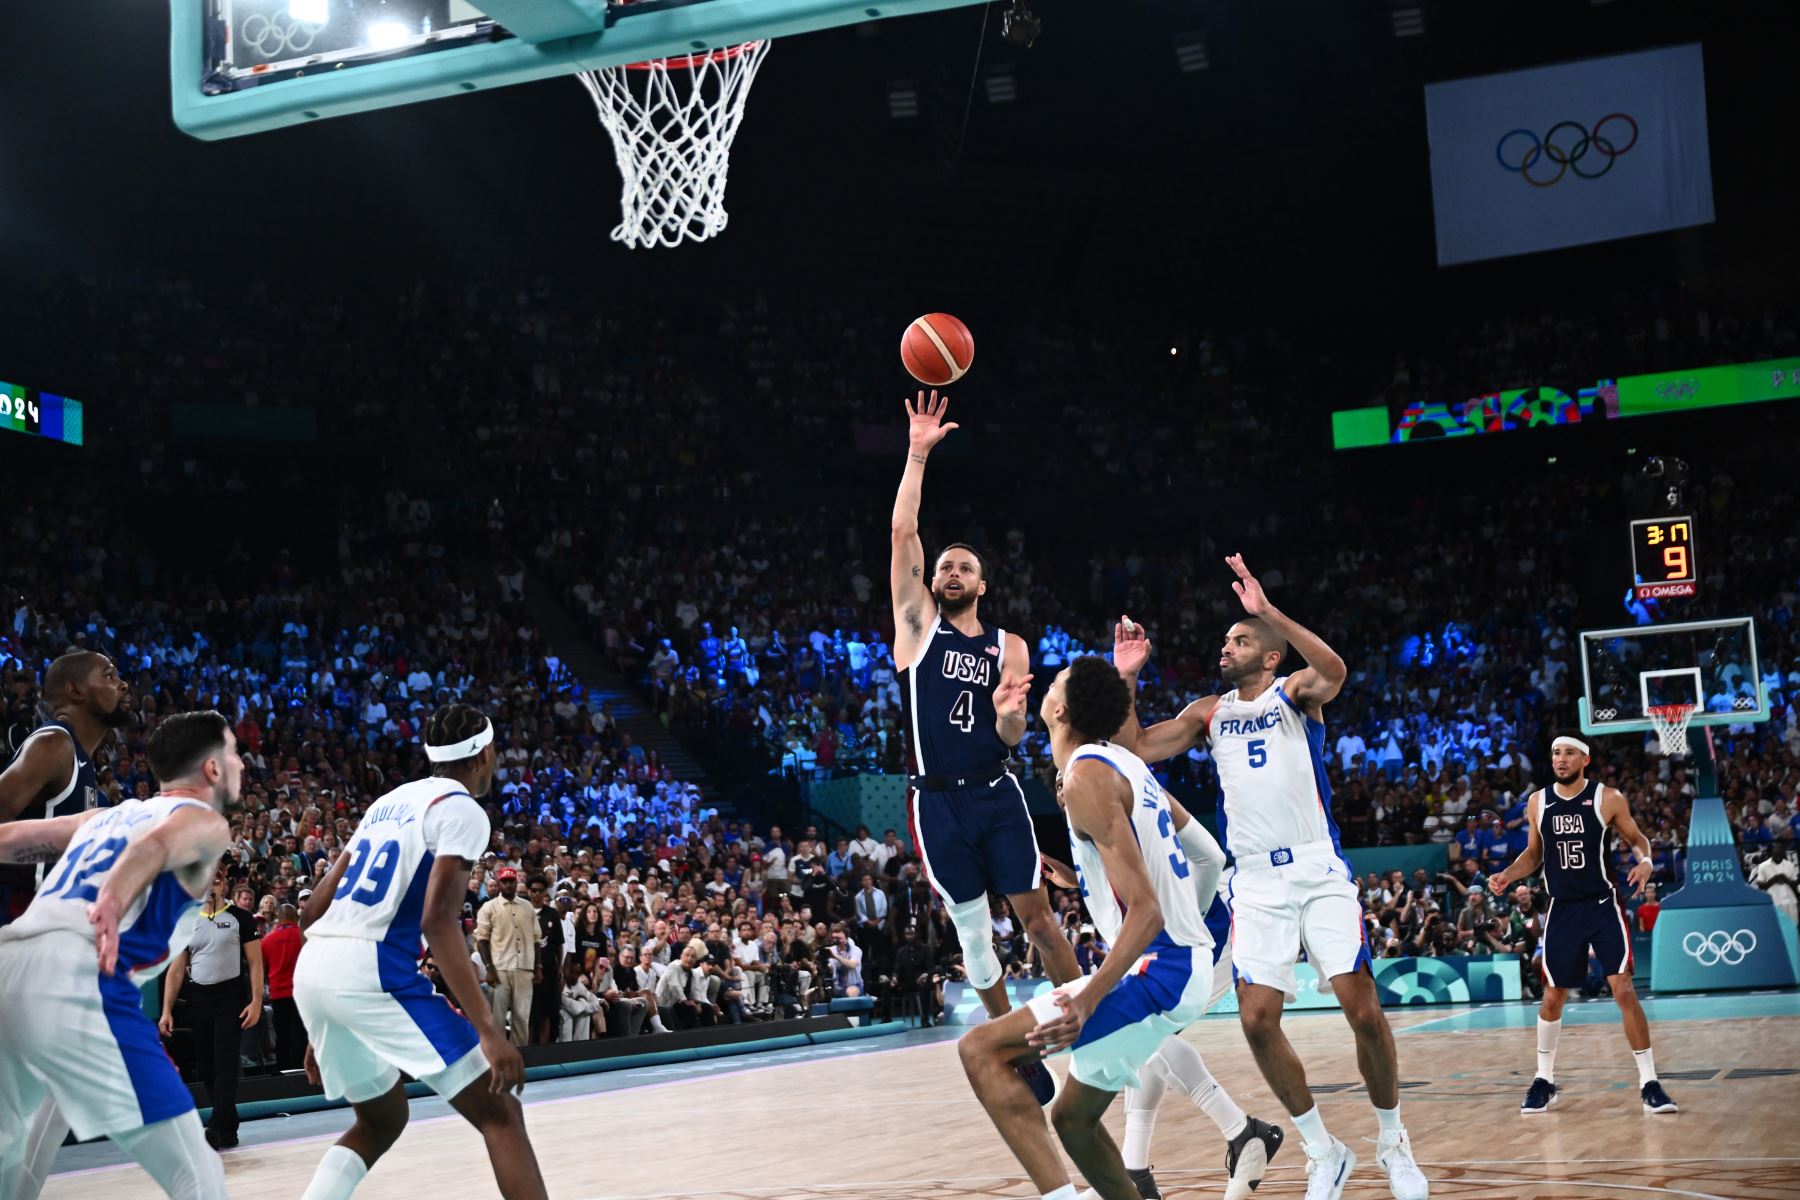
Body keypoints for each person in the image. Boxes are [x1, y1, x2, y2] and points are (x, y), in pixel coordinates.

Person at [1117, 557, 1428, 1200]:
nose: (1224, 647)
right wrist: (1127, 678)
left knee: (1362, 1009)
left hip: (1316, 867)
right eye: (1227, 639)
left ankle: (1393, 1139)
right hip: (1254, 881)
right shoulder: (1209, 711)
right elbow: (1136, 748)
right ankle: (1323, 1150)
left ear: (1269, 657)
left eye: (1240, 640)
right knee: (1257, 1021)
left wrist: (1270, 613)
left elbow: (1335, 671)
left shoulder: (1294, 695)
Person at [958, 657, 1225, 1200]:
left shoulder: (1085, 776)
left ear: (1059, 710)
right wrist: (1096, 884)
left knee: (981, 1051)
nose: (1046, 685)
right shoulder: (1125, 767)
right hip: (1179, 965)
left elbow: (1147, 912)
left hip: (1160, 971)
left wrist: (1088, 999)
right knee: (1075, 1119)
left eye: (1053, 684)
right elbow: (1209, 858)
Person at [889, 389, 1081, 1103]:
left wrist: (1008, 715)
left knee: (1038, 915)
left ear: (983, 583)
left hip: (997, 791)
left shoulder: (1011, 646)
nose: (950, 571)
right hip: (935, 804)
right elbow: (903, 533)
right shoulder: (917, 629)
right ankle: (1015, 1047)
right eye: (944, 567)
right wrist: (916, 453)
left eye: (964, 567)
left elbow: (1011, 735)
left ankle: (1096, 1014)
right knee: (975, 938)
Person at [294, 704, 546, 1200]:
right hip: (372, 969)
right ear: (485, 754)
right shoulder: (463, 810)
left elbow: (311, 913)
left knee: (381, 1118)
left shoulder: (386, 802)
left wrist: (330, 1013)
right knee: (501, 1114)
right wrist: (488, 1030)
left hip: (319, 970)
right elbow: (437, 920)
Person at [0, 708, 242, 1199]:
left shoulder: (103, 818)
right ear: (213, 769)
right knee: (198, 1178)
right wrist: (111, 901)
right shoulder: (208, 822)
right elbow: (158, 845)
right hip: (78, 976)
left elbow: (6, 838)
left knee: (14, 1169)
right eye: (235, 753)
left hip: (11, 967)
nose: (240, 765)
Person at [1040, 848, 1281, 1200]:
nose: (1062, 792)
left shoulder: (1109, 798)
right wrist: (1078, 876)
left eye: (1064, 787)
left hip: (1201, 930)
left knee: (1140, 1029)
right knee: (1144, 1043)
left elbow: (1153, 862)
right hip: (1177, 930)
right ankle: (1134, 1168)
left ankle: (1243, 1131)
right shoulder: (1086, 817)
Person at [1487, 732, 1678, 1116]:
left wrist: (1644, 861)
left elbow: (1637, 837)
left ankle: (1649, 1082)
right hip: (1562, 909)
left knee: (1623, 990)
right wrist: (1508, 874)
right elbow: (1533, 854)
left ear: (1584, 760)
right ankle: (1544, 1079)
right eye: (1556, 752)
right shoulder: (1538, 802)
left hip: (1602, 904)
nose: (1560, 759)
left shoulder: (1608, 798)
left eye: (1569, 753)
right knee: (1553, 995)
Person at [0, 651, 132, 922]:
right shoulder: (53, 744)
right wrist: (51, 872)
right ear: (75, 691)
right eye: (109, 675)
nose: (123, 684)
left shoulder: (83, 762)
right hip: (16, 925)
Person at [161, 864, 264, 1149]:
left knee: (225, 1063)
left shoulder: (240, 917)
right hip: (199, 999)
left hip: (231, 997)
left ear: (223, 884)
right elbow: (177, 969)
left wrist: (256, 1001)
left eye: (215, 881)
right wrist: (167, 1009)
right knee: (206, 1068)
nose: (210, 887)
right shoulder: (187, 920)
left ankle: (217, 1126)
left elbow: (255, 964)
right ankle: (228, 1127)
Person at [476, 867, 537, 1046]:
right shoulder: (489, 907)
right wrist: (489, 968)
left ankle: (521, 1059)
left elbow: (536, 939)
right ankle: (499, 1059)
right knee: (498, 1019)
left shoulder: (527, 907)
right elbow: (482, 940)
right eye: (505, 881)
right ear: (499, 883)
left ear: (516, 882)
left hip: (524, 968)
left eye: (511, 881)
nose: (508, 884)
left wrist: (538, 966)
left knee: (522, 1018)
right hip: (499, 969)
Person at [263, 903, 306, 1071]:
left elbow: (262, 969)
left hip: (278, 995)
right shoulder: (303, 936)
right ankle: (301, 1069)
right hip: (300, 993)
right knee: (300, 1033)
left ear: (278, 919)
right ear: (295, 917)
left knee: (282, 1035)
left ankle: (283, 1069)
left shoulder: (267, 941)